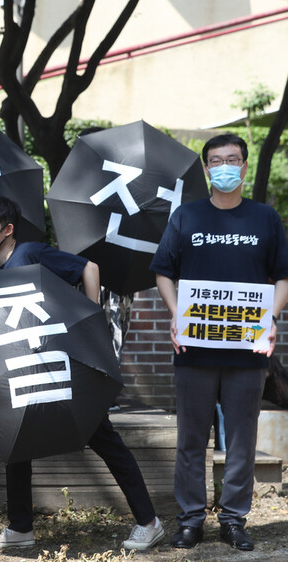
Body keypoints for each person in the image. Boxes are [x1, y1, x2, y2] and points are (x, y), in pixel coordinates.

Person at [0, 196, 164, 552]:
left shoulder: (29, 253)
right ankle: (20, 528)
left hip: (63, 364)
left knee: (104, 439)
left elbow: (88, 269)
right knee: (15, 442)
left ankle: (149, 521)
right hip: (28, 369)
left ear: (8, 230)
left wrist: (92, 319)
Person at [151, 133, 288, 552]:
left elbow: (283, 277)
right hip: (194, 346)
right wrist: (177, 315)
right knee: (191, 438)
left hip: (248, 349)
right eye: (216, 160)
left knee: (242, 439)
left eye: (232, 159)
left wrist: (272, 319)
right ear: (207, 169)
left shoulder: (265, 218)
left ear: (244, 167)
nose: (224, 166)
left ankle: (233, 520)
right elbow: (163, 272)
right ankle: (190, 520)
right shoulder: (186, 217)